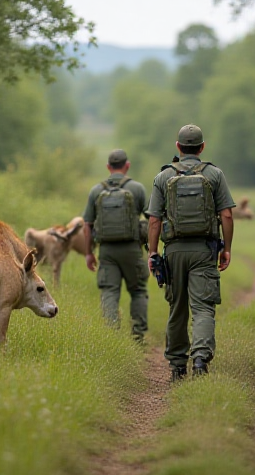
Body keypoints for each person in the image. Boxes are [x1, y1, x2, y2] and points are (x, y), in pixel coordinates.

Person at [147, 125, 235, 382]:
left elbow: (153, 221)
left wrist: (153, 253)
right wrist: (226, 248)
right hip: (204, 251)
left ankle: (177, 366)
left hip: (173, 251)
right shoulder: (214, 174)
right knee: (203, 307)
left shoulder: (163, 177)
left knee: (177, 308)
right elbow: (227, 214)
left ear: (178, 147)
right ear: (202, 147)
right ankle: (199, 359)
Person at [83, 149, 150, 343]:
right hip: (132, 248)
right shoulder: (137, 189)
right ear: (127, 165)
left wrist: (89, 253)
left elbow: (87, 225)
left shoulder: (96, 191)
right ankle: (137, 336)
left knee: (109, 291)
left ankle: (111, 336)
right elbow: (151, 219)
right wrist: (152, 248)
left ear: (108, 167)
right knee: (138, 291)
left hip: (107, 251)